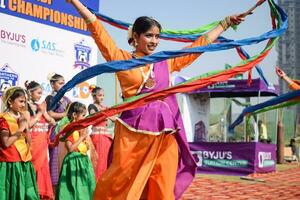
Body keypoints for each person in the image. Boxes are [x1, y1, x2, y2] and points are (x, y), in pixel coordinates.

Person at [67, 0, 245, 199]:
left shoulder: (165, 62)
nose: (154, 41)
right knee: (120, 183)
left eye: (157, 36)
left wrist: (225, 23)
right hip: (132, 136)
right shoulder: (122, 59)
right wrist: (75, 3)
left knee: (162, 182)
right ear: (135, 36)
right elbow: (98, 30)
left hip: (164, 135)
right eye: (149, 35)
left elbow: (197, 47)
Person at [0, 86, 39, 199]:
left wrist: (26, 127)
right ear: (10, 102)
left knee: (25, 193)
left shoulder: (22, 118)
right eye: (21, 101)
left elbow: (29, 142)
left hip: (23, 162)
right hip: (9, 164)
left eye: (25, 102)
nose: (23, 105)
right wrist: (21, 128)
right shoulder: (4, 119)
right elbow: (6, 143)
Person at [55, 102, 96, 199]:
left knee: (85, 186)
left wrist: (85, 139)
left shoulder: (81, 129)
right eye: (83, 115)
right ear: (74, 115)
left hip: (83, 161)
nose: (84, 118)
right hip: (73, 162)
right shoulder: (70, 129)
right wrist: (81, 137)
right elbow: (70, 149)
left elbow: (86, 147)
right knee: (74, 187)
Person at [23, 80, 56, 199]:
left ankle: (40, 195)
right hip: (32, 145)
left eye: (41, 93)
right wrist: (39, 114)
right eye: (38, 93)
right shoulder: (24, 107)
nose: (40, 96)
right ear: (30, 93)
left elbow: (52, 121)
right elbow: (28, 125)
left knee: (43, 171)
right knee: (32, 169)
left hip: (42, 145)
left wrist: (43, 112)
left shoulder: (39, 106)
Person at [45, 73, 71, 191]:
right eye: (60, 83)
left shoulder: (67, 99)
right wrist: (65, 114)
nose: (63, 85)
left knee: (66, 158)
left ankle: (64, 190)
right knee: (55, 160)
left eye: (63, 83)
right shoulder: (51, 98)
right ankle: (53, 191)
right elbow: (50, 114)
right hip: (55, 132)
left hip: (66, 133)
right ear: (52, 84)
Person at [88, 85, 113, 181]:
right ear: (94, 96)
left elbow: (114, 118)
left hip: (105, 137)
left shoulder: (104, 107)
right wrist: (106, 114)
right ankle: (96, 184)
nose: (102, 97)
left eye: (103, 95)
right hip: (98, 137)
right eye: (99, 95)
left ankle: (104, 184)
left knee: (106, 160)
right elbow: (94, 117)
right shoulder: (92, 106)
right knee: (98, 161)